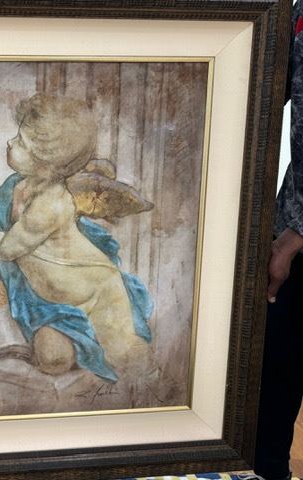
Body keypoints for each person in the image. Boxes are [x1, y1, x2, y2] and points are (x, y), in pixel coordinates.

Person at [0, 93, 153, 382]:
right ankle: (77, 345)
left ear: (46, 165)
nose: (10, 143)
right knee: (51, 359)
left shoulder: (50, 204)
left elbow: (5, 249)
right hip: (50, 305)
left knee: (127, 357)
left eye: (21, 142)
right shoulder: (16, 187)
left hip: (96, 295)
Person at [253, 2, 303, 479]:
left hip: (295, 230)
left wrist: (297, 234)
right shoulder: (298, 10)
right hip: (289, 219)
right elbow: (262, 82)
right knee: (275, 368)